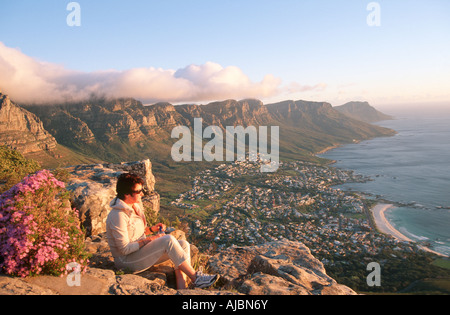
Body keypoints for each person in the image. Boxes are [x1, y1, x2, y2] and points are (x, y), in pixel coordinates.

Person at [106, 173, 218, 289]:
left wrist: (151, 229)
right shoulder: (118, 215)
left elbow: (135, 233)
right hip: (126, 261)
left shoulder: (134, 206)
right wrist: (150, 240)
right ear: (126, 194)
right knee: (168, 240)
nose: (142, 193)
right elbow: (124, 249)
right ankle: (196, 278)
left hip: (139, 252)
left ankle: (182, 289)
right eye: (138, 191)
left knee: (184, 245)